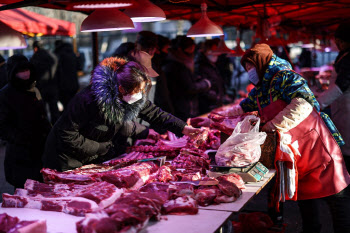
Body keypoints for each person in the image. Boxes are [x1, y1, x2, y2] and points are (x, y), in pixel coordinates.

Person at [194, 43, 350, 233]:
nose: (249, 71)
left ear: (261, 63)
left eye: (251, 66)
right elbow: (241, 108)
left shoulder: (285, 77)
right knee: (304, 197)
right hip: (294, 148)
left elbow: (303, 103)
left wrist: (271, 126)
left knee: (336, 195)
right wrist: (211, 121)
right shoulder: (262, 87)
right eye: (246, 68)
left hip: (315, 145)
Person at [42, 56, 200, 172]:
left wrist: (184, 128)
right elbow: (67, 135)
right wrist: (101, 147)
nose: (140, 95)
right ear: (121, 89)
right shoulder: (87, 100)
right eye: (138, 91)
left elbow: (155, 113)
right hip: (66, 157)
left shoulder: (131, 96)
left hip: (91, 153)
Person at [0, 54, 51, 188]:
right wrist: (21, 138)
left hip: (40, 153)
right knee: (24, 193)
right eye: (20, 71)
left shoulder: (34, 89)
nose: (25, 73)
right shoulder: (5, 95)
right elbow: (2, 127)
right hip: (20, 156)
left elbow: (42, 116)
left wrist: (50, 133)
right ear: (12, 73)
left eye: (26, 69)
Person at [317, 22, 350, 172]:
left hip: (347, 108)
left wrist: (318, 103)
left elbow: (341, 86)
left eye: (340, 41)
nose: (338, 44)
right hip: (341, 106)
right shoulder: (343, 55)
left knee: (347, 149)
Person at [163, 36, 211, 121]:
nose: (192, 52)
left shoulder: (184, 64)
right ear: (180, 49)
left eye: (193, 48)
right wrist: (206, 84)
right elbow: (189, 87)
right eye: (190, 49)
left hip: (187, 108)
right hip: (182, 109)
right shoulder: (176, 66)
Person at [30, 40, 60, 124]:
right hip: (53, 86)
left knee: (43, 111)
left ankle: (46, 129)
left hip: (41, 88)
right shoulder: (52, 55)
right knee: (54, 109)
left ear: (35, 48)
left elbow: (32, 74)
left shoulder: (34, 58)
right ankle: (56, 128)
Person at [195, 39, 226, 114]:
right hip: (207, 107)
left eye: (216, 51)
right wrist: (217, 98)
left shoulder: (213, 65)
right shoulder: (200, 66)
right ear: (206, 51)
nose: (215, 53)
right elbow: (203, 89)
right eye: (212, 51)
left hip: (216, 105)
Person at [54, 41, 80, 110]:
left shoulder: (59, 55)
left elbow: (57, 72)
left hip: (64, 86)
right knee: (72, 104)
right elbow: (79, 67)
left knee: (65, 106)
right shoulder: (72, 54)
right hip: (74, 84)